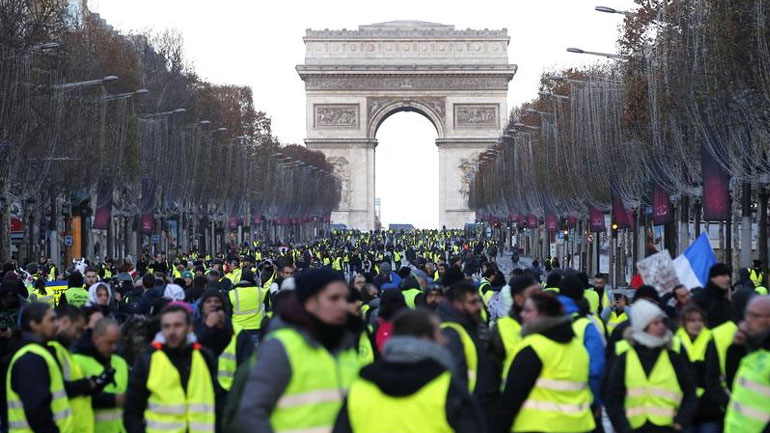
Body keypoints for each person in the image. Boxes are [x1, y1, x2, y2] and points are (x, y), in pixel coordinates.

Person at [237, 268, 360, 433]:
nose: (343, 305)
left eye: (345, 298)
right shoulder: (281, 347)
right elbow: (251, 412)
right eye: (333, 298)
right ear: (310, 302)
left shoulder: (347, 345)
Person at [332, 309, 486, 433]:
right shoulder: (447, 388)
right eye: (439, 334)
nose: (445, 340)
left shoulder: (360, 389)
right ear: (426, 338)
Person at [493, 292, 595, 433]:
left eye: (529, 310)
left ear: (544, 314)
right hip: (578, 425)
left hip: (538, 426)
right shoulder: (578, 347)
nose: (523, 315)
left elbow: (513, 396)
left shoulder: (533, 347)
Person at [124, 303, 220, 433]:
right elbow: (132, 410)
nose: (172, 331)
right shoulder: (148, 360)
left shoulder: (204, 357)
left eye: (178, 325)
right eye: (166, 326)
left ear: (189, 327)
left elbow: (218, 404)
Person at [605, 299, 698, 433]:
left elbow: (690, 392)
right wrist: (623, 427)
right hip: (633, 428)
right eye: (656, 323)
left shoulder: (672, 355)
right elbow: (612, 397)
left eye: (661, 322)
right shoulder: (625, 357)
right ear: (643, 326)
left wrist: (680, 422)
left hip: (667, 428)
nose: (662, 326)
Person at [6, 303, 74, 433]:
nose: (57, 324)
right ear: (34, 324)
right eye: (51, 320)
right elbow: (36, 411)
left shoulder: (39, 353)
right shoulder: (31, 359)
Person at [439, 281, 497, 421]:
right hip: (469, 411)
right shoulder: (451, 333)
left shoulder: (470, 327)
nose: (479, 307)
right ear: (458, 304)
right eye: (473, 302)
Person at [73, 318, 129, 433]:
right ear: (95, 338)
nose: (114, 347)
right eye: (110, 342)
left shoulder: (120, 363)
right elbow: (76, 398)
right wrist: (114, 400)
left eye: (116, 343)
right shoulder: (77, 362)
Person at [723, 296, 770, 433]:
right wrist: (736, 347)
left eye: (755, 316)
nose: (748, 321)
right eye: (747, 314)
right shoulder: (755, 353)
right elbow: (735, 386)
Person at [674, 304, 721, 433]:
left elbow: (715, 375)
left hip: (709, 409)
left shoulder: (711, 341)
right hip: (683, 409)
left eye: (700, 320)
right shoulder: (674, 342)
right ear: (684, 323)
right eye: (692, 321)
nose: (697, 324)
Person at [489, 276, 540, 384]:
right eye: (533, 295)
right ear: (518, 299)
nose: (540, 298)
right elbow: (491, 370)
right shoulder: (501, 329)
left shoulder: (548, 323)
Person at [228, 269, 266, 343]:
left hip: (238, 329)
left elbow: (228, 313)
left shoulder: (232, 293)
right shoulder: (261, 291)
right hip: (257, 328)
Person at [692, 263, 732, 329]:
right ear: (713, 278)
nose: (728, 279)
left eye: (729, 276)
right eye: (723, 275)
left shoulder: (726, 303)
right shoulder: (699, 300)